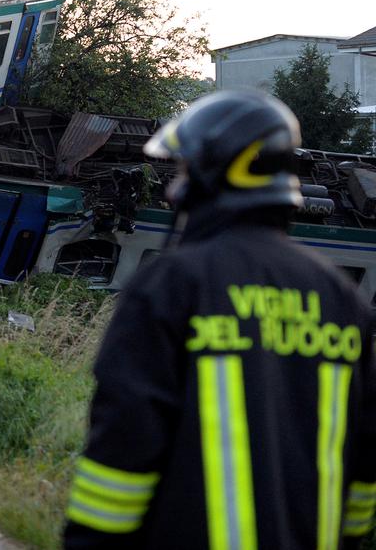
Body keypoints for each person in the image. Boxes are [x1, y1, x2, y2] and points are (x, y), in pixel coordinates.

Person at [64, 89, 376, 549]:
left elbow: (125, 443)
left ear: (214, 173)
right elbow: (364, 468)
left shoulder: (172, 285)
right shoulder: (342, 299)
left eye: (184, 170)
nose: (174, 187)